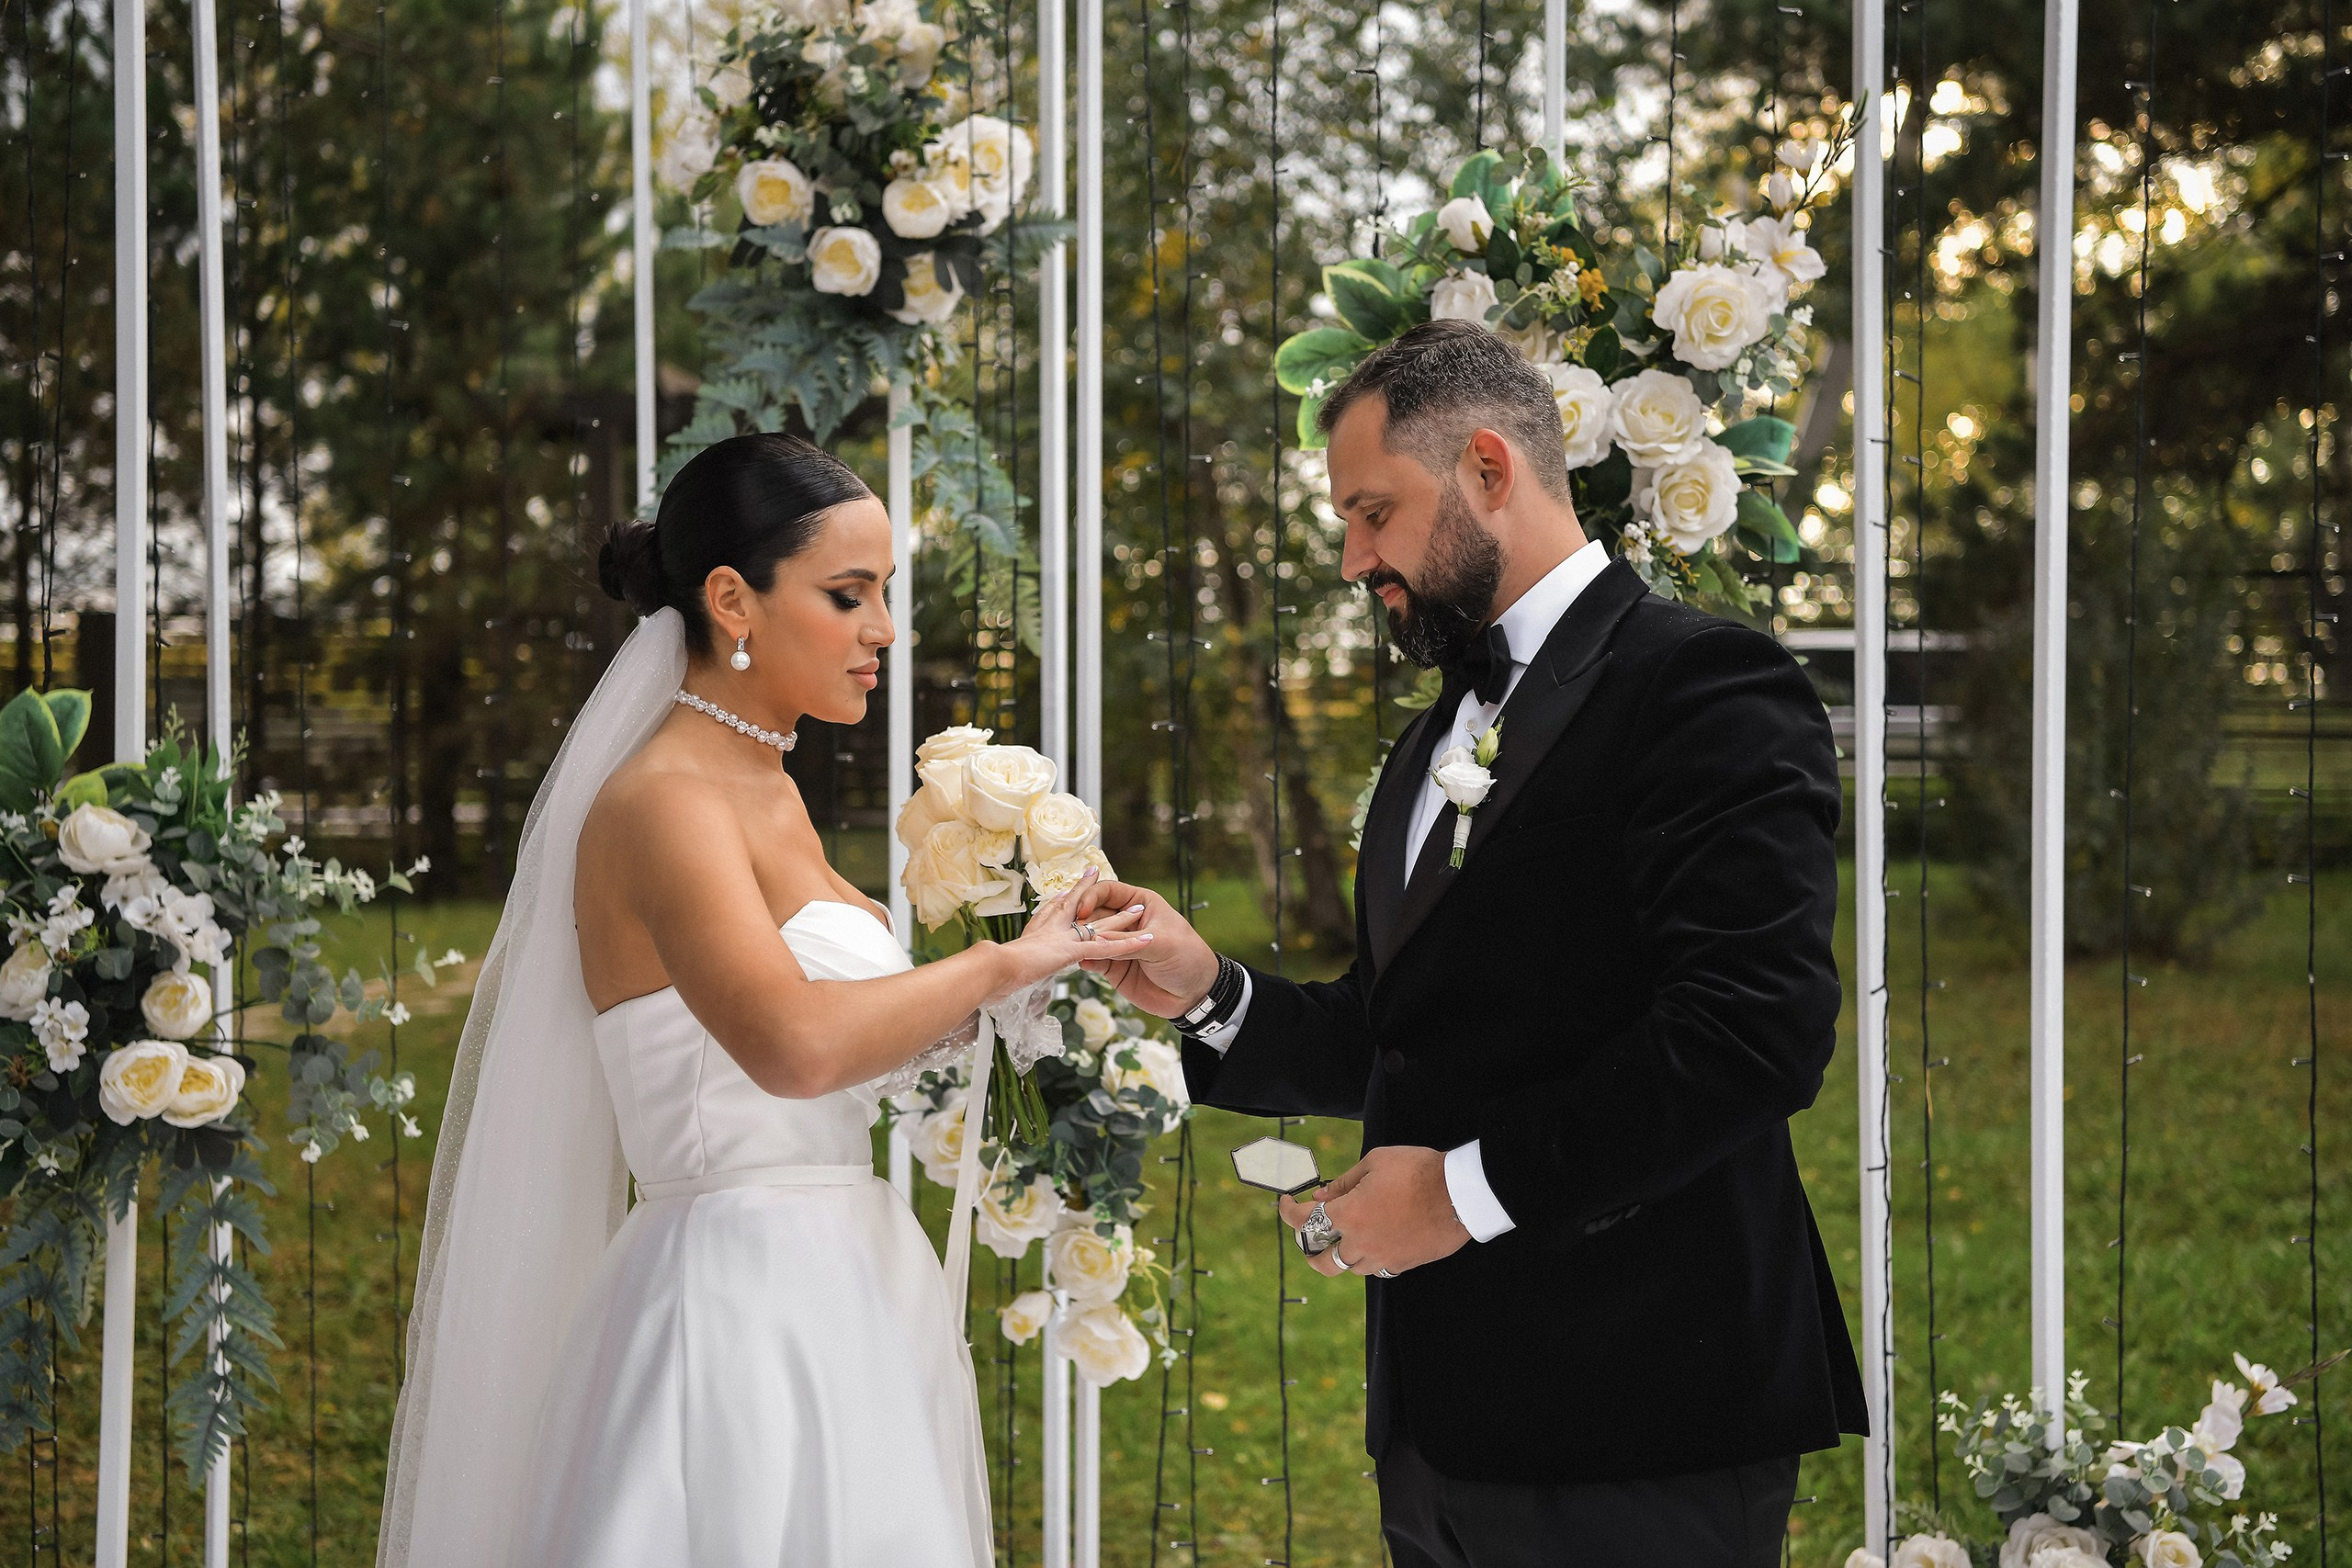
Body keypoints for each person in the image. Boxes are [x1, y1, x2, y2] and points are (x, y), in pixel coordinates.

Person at [1074, 321, 1867, 1567]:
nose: (1355, 559)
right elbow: (1406, 1028)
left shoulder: (1706, 684)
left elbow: (1751, 1034)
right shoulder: (1429, 739)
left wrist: (1456, 1194)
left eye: (1373, 513)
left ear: (1488, 467)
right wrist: (1208, 991)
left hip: (1641, 1409)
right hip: (1439, 1423)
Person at [376, 432, 1151, 1567]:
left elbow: (845, 1039)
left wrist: (1031, 997)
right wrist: (1002, 968)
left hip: (847, 1282)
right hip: (735, 1298)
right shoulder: (665, 802)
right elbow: (790, 1047)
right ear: (733, 600)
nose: (884, 630)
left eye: (885, 592)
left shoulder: (767, 789)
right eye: (849, 595)